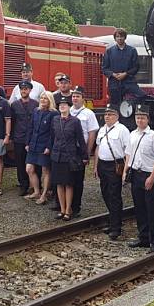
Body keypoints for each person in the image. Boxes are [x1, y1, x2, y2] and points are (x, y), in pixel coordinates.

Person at [123, 104, 154, 251]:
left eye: (142, 117)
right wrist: (125, 171)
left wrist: (152, 177)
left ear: (147, 119)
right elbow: (128, 154)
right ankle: (143, 238)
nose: (140, 120)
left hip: (149, 175)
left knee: (152, 209)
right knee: (139, 208)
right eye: (137, 117)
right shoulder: (132, 134)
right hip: (136, 173)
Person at [94, 103, 130, 240]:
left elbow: (128, 151)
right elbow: (98, 148)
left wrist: (125, 170)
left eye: (110, 114)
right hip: (103, 164)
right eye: (106, 114)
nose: (107, 117)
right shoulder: (102, 129)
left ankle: (116, 227)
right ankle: (112, 221)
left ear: (117, 116)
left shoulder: (122, 130)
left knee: (114, 195)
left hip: (115, 165)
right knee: (105, 193)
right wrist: (96, 166)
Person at [50, 96, 88, 221]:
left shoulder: (75, 121)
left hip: (69, 156)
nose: (62, 107)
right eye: (60, 105)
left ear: (69, 107)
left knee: (69, 184)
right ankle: (62, 209)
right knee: (59, 184)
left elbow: (80, 140)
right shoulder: (55, 120)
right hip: (57, 156)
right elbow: (52, 137)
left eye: (65, 105)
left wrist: (84, 156)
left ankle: (68, 210)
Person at [68, 86, 99, 217]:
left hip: (80, 150)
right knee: (68, 179)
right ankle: (67, 205)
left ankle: (76, 207)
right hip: (68, 150)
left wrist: (86, 152)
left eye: (77, 96)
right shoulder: (68, 110)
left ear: (83, 98)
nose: (75, 98)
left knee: (78, 180)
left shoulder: (89, 114)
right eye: (73, 96)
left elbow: (92, 134)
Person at [25, 91, 57, 203]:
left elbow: (53, 133)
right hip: (33, 144)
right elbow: (31, 127)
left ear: (50, 100)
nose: (43, 100)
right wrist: (27, 143)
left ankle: (44, 195)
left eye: (46, 98)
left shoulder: (54, 114)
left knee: (45, 170)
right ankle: (36, 191)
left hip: (44, 145)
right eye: (42, 98)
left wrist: (49, 146)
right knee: (29, 168)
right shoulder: (36, 111)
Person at [101, 28, 146, 106]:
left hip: (129, 81)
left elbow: (136, 67)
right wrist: (113, 74)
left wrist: (125, 74)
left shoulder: (132, 50)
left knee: (141, 95)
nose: (119, 38)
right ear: (115, 38)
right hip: (114, 83)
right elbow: (104, 68)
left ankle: (130, 108)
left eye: (121, 36)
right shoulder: (109, 51)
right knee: (115, 105)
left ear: (125, 37)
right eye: (117, 36)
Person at [11, 81, 38, 195]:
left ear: (30, 90)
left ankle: (34, 185)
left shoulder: (36, 104)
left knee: (33, 163)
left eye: (26, 89)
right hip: (19, 138)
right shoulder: (14, 105)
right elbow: (12, 121)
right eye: (22, 89)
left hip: (32, 138)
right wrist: (11, 136)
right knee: (20, 163)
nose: (24, 91)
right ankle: (23, 185)